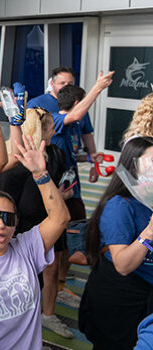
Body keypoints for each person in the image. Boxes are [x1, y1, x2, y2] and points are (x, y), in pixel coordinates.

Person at [0, 134, 70, 349]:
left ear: (16, 223)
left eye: (7, 218)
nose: (0, 225)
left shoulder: (26, 248)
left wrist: (40, 173)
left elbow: (60, 219)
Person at [79, 136, 153, 349]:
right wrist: (148, 234)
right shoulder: (119, 205)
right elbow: (122, 264)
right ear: (134, 167)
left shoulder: (148, 200)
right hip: (121, 298)